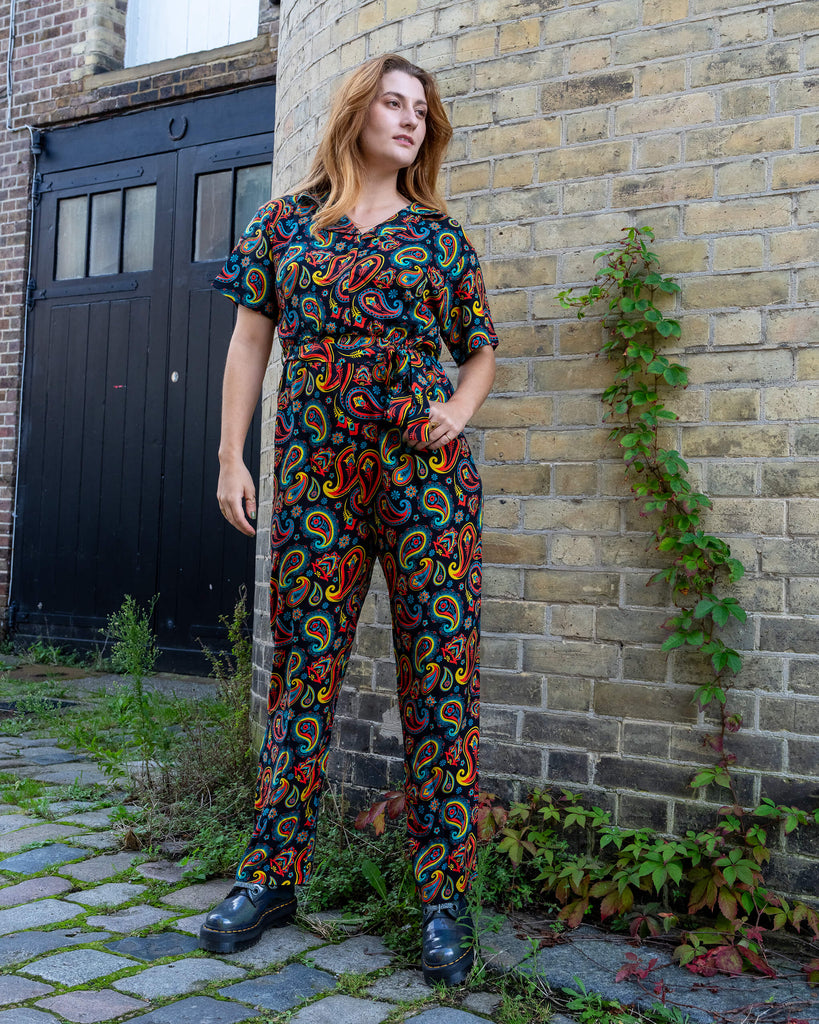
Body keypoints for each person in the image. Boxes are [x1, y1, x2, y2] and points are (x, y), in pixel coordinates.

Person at [199, 53, 498, 987]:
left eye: (423, 110)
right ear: (357, 110)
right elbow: (251, 343)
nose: (411, 120)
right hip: (316, 479)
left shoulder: (439, 238)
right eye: (395, 103)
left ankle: (444, 900)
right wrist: (229, 455)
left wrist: (458, 411)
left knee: (441, 682)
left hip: (425, 482)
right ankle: (271, 876)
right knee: (302, 675)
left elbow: (481, 351)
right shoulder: (286, 221)